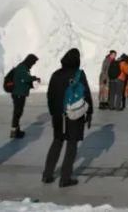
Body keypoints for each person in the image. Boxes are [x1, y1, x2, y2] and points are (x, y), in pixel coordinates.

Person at [43, 48, 94, 187]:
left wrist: (54, 112)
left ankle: (47, 174)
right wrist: (89, 113)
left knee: (57, 141)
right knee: (71, 145)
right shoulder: (79, 74)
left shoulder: (56, 74)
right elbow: (87, 95)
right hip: (74, 115)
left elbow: (50, 96)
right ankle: (65, 178)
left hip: (58, 116)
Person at [8, 54, 41, 138]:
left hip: (19, 93)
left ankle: (16, 130)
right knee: (17, 112)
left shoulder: (24, 67)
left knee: (18, 112)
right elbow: (26, 78)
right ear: (29, 61)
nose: (33, 64)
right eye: (33, 62)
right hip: (18, 94)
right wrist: (35, 78)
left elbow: (24, 80)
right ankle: (14, 131)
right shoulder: (22, 68)